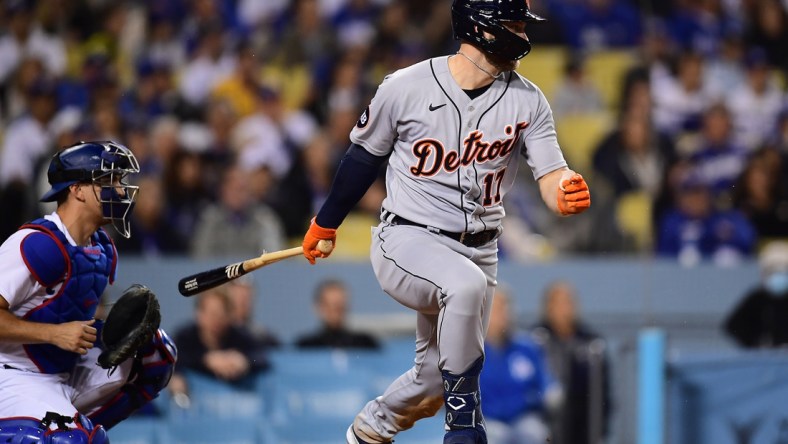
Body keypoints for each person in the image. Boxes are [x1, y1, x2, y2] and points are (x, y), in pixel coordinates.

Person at [300, 1, 592, 442]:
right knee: (464, 286)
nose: (523, 33)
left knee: (434, 383)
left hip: (481, 247)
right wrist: (326, 223)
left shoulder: (529, 99)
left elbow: (551, 173)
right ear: (482, 26)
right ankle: (465, 424)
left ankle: (370, 429)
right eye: (514, 22)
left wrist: (564, 189)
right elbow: (362, 159)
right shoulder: (407, 86)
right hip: (408, 239)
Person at [0, 141, 177, 442]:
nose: (120, 190)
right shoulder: (38, 243)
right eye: (108, 181)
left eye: (120, 181)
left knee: (157, 353)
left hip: (63, 370)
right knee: (72, 440)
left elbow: (64, 309)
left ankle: (78, 426)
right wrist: (54, 334)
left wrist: (114, 329)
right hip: (14, 373)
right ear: (77, 189)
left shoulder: (102, 247)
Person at [531, 281, 610, 444]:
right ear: (547, 307)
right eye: (557, 303)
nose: (564, 309)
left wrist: (601, 427)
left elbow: (602, 392)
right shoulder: (533, 340)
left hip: (583, 421)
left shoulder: (591, 343)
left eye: (568, 302)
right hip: (545, 421)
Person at [480, 286, 560, 444]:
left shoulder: (527, 347)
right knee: (493, 437)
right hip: (487, 420)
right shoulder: (472, 351)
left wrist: (551, 393)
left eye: (505, 308)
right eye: (496, 309)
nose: (502, 314)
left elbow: (545, 382)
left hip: (524, 417)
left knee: (536, 434)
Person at [169, 287, 269, 399]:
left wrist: (243, 361)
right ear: (199, 313)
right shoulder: (185, 337)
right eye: (212, 313)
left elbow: (261, 357)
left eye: (221, 314)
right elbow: (174, 358)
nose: (216, 320)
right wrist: (206, 360)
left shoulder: (239, 335)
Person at [724, 241, 788, 348]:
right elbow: (732, 326)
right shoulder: (757, 299)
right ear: (764, 274)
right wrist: (755, 344)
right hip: (763, 358)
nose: (779, 276)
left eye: (784, 272)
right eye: (773, 271)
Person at [295, 279, 380, 350]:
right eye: (330, 306)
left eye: (340, 306)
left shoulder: (365, 343)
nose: (335, 312)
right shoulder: (306, 346)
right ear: (318, 307)